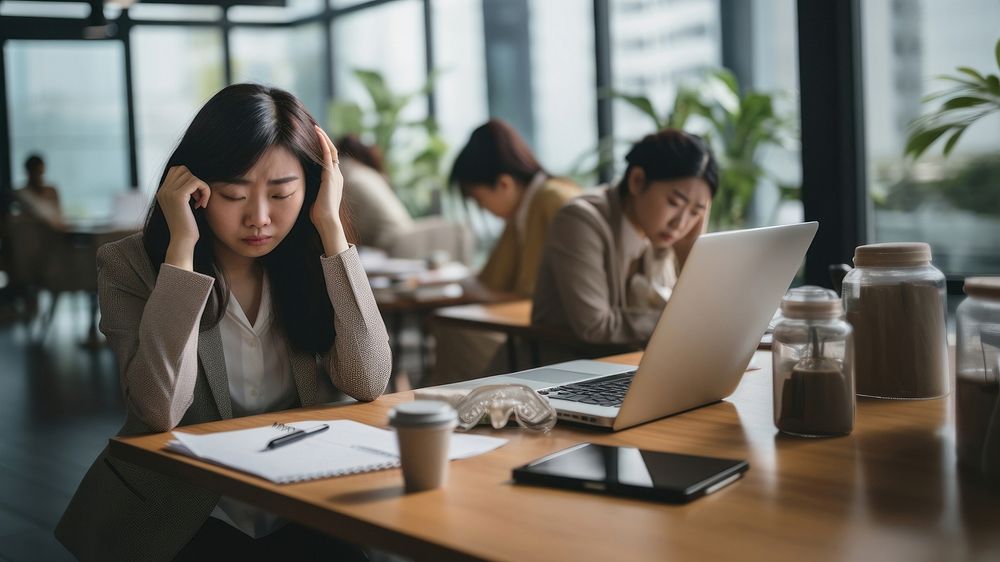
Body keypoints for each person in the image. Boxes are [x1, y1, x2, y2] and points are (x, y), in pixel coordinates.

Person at [55, 84, 391, 561]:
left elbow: (368, 378)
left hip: (295, 501)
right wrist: (181, 253)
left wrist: (332, 229)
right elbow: (159, 409)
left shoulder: (311, 256)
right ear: (194, 187)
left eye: (281, 194)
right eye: (234, 194)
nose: (259, 218)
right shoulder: (127, 265)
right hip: (181, 510)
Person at [531, 129, 717, 357]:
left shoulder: (656, 234)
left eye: (695, 212)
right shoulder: (579, 220)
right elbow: (595, 326)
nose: (681, 223)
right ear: (637, 181)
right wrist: (683, 322)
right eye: (674, 202)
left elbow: (684, 310)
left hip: (621, 369)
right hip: (557, 375)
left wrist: (690, 252)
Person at [428, 119, 581, 386]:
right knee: (453, 329)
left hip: (564, 341)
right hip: (543, 332)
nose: (483, 209)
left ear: (504, 184)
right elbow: (493, 281)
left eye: (479, 199)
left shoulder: (552, 200)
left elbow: (535, 297)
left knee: (455, 332)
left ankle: (458, 409)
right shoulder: (527, 207)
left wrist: (476, 291)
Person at [13, 153, 64, 229]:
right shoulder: (21, 194)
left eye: (39, 173)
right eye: (35, 172)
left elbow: (58, 217)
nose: (37, 176)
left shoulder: (51, 191)